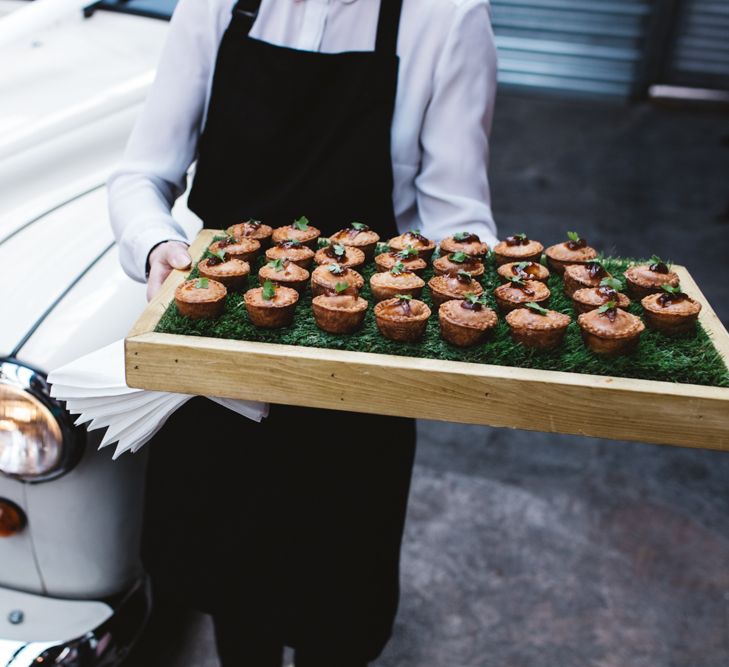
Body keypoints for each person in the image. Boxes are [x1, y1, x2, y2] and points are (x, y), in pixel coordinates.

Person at [108, 0, 498, 664]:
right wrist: (156, 248)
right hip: (223, 371)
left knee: (338, 614)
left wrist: (463, 278)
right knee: (235, 598)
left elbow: (457, 217)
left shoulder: (447, 16)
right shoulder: (217, 5)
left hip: (358, 383)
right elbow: (140, 176)